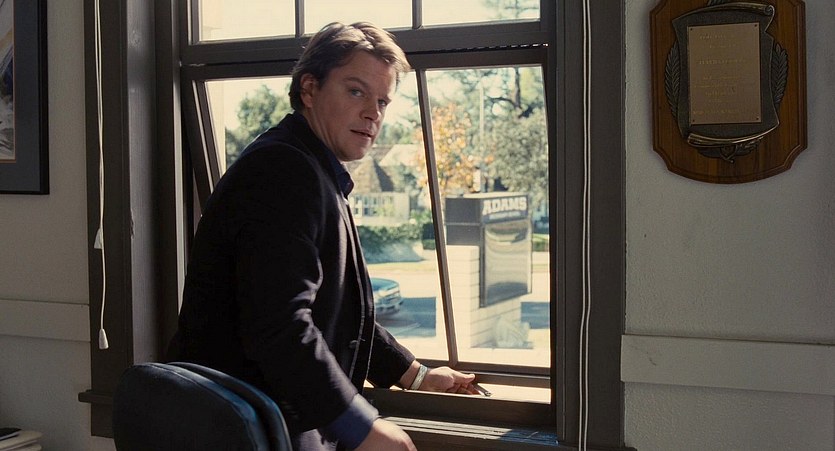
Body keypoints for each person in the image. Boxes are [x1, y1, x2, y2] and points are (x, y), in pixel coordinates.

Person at [167, 21, 480, 450]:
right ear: (309, 89)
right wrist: (360, 428)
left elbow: (338, 312)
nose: (373, 113)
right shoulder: (283, 172)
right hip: (240, 431)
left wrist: (416, 375)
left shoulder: (311, 168)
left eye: (382, 101)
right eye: (356, 91)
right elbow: (280, 327)